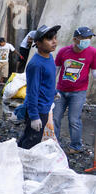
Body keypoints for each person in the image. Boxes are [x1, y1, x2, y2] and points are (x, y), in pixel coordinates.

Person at [53, 26, 96, 154]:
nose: (87, 41)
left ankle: (75, 146)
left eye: (89, 38)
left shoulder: (92, 52)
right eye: (84, 38)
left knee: (74, 120)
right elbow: (56, 70)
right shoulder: (63, 52)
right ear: (75, 39)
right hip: (60, 91)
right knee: (55, 117)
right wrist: (50, 88)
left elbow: (94, 72)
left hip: (79, 92)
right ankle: (54, 144)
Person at [18, 24, 61, 150]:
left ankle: (18, 155)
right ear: (38, 43)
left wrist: (53, 92)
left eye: (55, 38)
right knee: (32, 141)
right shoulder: (35, 64)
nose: (54, 42)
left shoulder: (50, 57)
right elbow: (32, 92)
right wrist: (34, 116)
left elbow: (48, 81)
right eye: (49, 39)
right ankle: (23, 164)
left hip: (45, 106)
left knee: (29, 137)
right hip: (38, 109)